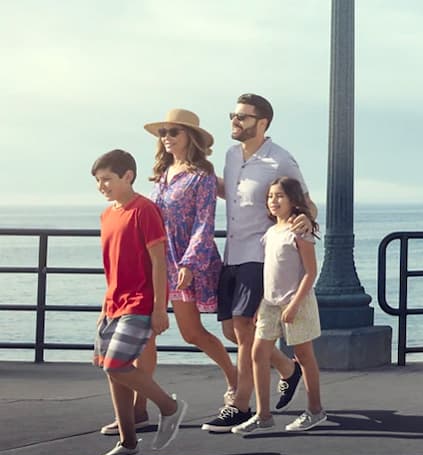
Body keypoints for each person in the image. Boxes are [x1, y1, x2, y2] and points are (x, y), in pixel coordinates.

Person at [95, 109, 236, 437]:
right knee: (145, 340)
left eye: (174, 132)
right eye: (163, 133)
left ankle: (235, 380)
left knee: (192, 333)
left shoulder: (201, 176)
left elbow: (205, 222)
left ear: (190, 137)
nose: (167, 138)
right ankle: (139, 410)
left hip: (185, 262)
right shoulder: (160, 174)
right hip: (153, 263)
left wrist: (189, 262)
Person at [203, 93, 314, 432]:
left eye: (243, 117)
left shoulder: (280, 160)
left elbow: (306, 202)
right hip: (231, 253)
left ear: (262, 122)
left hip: (259, 254)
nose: (235, 122)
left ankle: (240, 405)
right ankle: (286, 368)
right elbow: (233, 194)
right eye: (233, 116)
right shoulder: (231, 155)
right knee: (232, 330)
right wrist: (199, 177)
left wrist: (306, 222)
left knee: (242, 332)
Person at [88, 149, 188, 455]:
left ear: (127, 176)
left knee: (116, 366)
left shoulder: (144, 210)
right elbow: (112, 268)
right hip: (113, 304)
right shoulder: (108, 215)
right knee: (112, 373)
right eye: (98, 181)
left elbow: (159, 262)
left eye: (107, 179)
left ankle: (169, 407)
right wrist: (105, 307)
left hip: (140, 303)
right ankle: (127, 444)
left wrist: (161, 308)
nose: (102, 186)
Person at [233, 177, 327, 434]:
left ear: (293, 200)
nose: (273, 201)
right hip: (270, 304)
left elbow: (310, 272)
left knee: (304, 357)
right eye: (270, 196)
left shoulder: (299, 231)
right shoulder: (271, 232)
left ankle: (315, 411)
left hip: (297, 302)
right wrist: (259, 304)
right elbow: (270, 272)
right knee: (257, 354)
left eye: (279, 196)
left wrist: (295, 304)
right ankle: (263, 415)